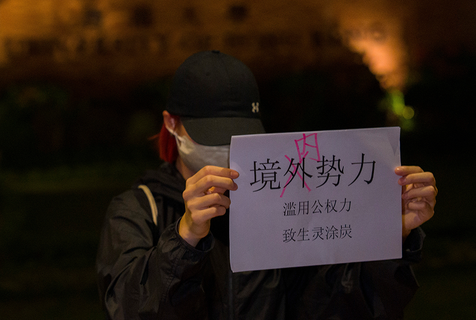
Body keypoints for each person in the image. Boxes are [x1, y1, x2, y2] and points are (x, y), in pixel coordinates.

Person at [96, 50, 437, 319]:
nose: (227, 145)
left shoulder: (280, 202)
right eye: (212, 135)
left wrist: (391, 237)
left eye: (239, 134)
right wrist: (185, 236)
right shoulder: (140, 210)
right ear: (172, 123)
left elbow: (337, 307)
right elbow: (129, 309)